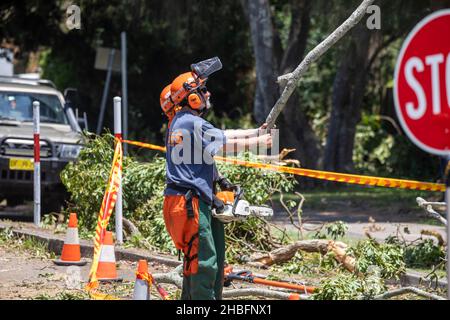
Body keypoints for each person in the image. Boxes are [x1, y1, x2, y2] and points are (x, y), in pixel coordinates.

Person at [162, 65, 272, 300]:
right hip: (189, 203)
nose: (208, 94)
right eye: (203, 90)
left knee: (208, 260)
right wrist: (259, 142)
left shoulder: (185, 121)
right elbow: (226, 145)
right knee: (204, 263)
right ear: (192, 97)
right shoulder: (189, 122)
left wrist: (255, 132)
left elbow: (225, 134)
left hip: (194, 200)